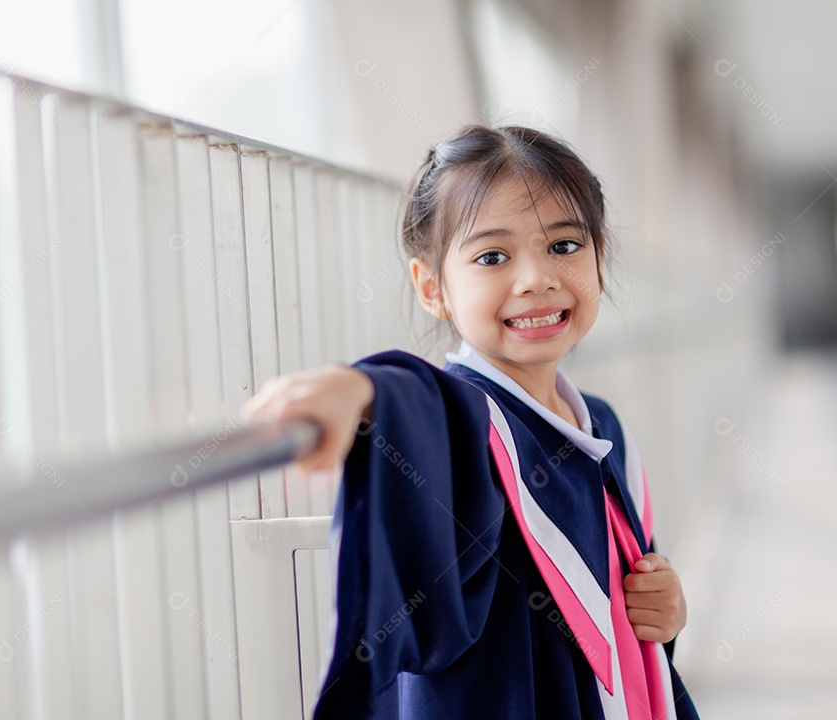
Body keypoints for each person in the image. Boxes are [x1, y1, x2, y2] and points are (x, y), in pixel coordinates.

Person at [240, 125, 699, 719]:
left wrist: (665, 607)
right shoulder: (468, 421)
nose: (536, 278)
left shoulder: (602, 425)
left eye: (564, 246)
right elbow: (425, 407)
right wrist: (358, 390)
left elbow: (632, 609)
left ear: (600, 257)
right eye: (492, 257)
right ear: (433, 288)